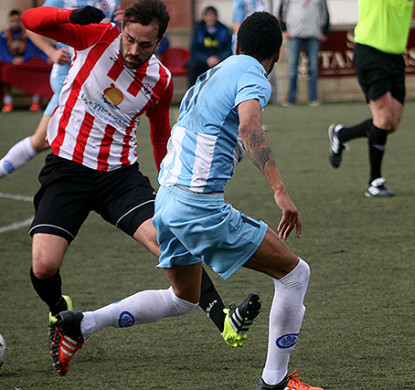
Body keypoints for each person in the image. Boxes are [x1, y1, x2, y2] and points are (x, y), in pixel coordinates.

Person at [52, 11, 323, 390]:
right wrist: (280, 191)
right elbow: (249, 127)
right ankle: (275, 382)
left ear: (237, 44)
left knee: (184, 297)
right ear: (277, 54)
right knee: (295, 274)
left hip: (165, 200)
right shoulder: (252, 74)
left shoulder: (213, 74)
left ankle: (83, 323)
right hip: (198, 206)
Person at [20, 0, 260, 376]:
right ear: (122, 29)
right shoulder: (94, 37)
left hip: (120, 177)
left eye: (144, 45)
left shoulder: (161, 80)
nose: (133, 51)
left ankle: (223, 317)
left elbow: (161, 132)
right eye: (129, 40)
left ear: (159, 41)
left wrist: (172, 179)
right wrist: (69, 16)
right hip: (67, 169)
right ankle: (60, 316)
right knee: (43, 266)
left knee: (171, 241)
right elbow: (31, 20)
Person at [0, 0, 121, 179]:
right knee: (48, 141)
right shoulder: (62, 0)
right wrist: (51, 52)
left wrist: (123, 22)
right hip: (69, 78)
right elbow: (32, 25)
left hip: (97, 78)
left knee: (46, 141)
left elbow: (115, 31)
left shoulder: (112, 1)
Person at [327, 0, 415, 197]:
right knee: (383, 118)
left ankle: (342, 135)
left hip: (395, 58)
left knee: (391, 124)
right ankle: (374, 182)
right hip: (370, 53)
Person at [278, 0, 329, 106]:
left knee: (313, 68)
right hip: (294, 34)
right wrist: (284, 29)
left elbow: (325, 12)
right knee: (292, 68)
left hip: (314, 34)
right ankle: (291, 98)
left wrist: (324, 31)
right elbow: (282, 10)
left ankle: (313, 98)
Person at [0, 9, 45, 112]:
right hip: (11, 62)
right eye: (12, 21)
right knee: (4, 72)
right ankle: (7, 102)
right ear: (9, 21)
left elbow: (31, 50)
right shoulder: (4, 35)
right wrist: (11, 60)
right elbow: (2, 52)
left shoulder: (26, 33)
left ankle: (36, 101)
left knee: (36, 71)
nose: (14, 23)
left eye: (16, 20)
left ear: (20, 21)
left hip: (26, 62)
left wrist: (23, 59)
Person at [184, 6, 232, 87]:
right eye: (208, 15)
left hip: (219, 59)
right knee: (193, 67)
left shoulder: (224, 30)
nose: (211, 18)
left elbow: (228, 49)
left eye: (213, 15)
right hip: (202, 60)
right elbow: (194, 50)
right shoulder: (198, 30)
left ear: (216, 17)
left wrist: (218, 58)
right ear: (204, 17)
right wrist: (207, 59)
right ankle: (192, 91)